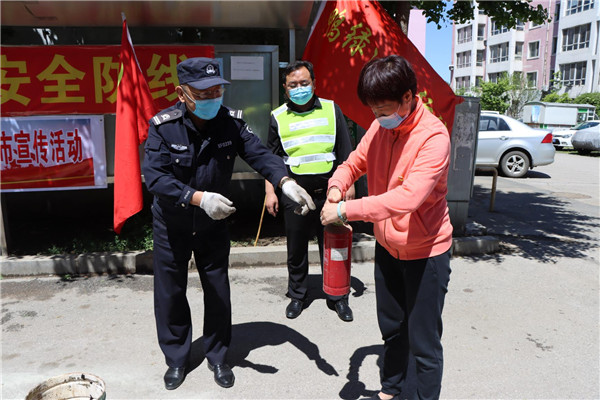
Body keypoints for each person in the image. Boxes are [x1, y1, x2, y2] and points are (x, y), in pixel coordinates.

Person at [142, 57, 316, 391]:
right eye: (203, 92)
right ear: (182, 93)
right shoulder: (163, 126)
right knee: (171, 292)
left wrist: (284, 182)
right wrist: (198, 198)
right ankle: (177, 359)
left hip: (213, 225)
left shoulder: (231, 123)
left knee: (218, 290)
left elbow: (261, 154)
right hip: (173, 224)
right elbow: (155, 177)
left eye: (218, 89)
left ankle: (218, 355)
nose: (212, 97)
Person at [320, 55, 453, 400]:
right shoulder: (381, 127)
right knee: (393, 329)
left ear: (408, 98)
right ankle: (391, 390)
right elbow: (354, 163)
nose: (378, 118)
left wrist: (345, 210)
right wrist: (337, 187)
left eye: (384, 109)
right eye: (374, 111)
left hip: (426, 251)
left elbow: (406, 198)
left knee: (423, 342)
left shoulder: (433, 138)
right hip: (388, 247)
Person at [264, 60, 355, 321]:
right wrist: (270, 192)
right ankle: (297, 295)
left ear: (314, 83)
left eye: (304, 83)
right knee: (296, 246)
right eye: (293, 84)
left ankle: (338, 295)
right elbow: (269, 160)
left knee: (335, 244)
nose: (299, 88)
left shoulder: (331, 109)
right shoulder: (277, 116)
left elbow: (346, 152)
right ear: (285, 88)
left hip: (331, 190)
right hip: (294, 191)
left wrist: (348, 188)